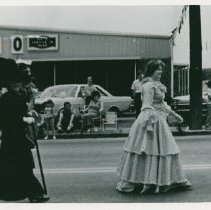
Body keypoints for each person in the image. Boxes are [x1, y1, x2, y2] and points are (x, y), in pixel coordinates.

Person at [116, 59, 191, 194]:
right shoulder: (148, 86)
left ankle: (159, 181)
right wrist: (151, 120)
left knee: (162, 150)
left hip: (157, 118)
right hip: (151, 120)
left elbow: (162, 104)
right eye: (158, 70)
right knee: (151, 151)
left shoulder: (156, 85)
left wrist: (175, 115)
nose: (161, 72)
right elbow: (147, 105)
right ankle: (149, 182)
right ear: (152, 71)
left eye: (161, 70)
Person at [0, 58, 49, 202]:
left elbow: (18, 113)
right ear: (9, 84)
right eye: (15, 83)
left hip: (15, 137)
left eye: (18, 82)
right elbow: (8, 118)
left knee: (14, 166)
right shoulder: (7, 98)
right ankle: (35, 194)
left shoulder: (14, 96)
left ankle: (29, 193)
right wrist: (25, 119)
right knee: (23, 166)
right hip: (14, 137)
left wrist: (28, 115)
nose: (17, 85)